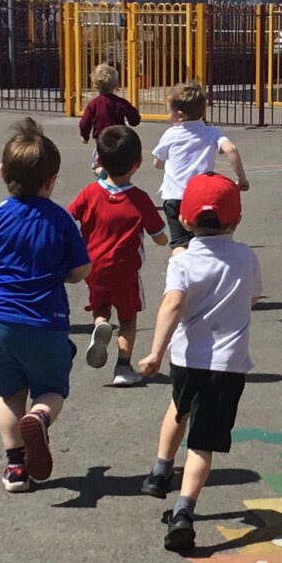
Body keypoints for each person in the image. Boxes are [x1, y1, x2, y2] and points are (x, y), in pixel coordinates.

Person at [0, 120, 91, 494]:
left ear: (2, 173)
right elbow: (80, 271)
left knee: (9, 393)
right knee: (51, 390)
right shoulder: (61, 220)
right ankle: (41, 418)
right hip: (47, 321)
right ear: (52, 179)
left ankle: (15, 468)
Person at [136, 174, 261, 555]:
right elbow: (253, 298)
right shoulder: (246, 257)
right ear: (236, 220)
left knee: (179, 405)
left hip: (187, 358)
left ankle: (160, 469)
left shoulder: (184, 262)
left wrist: (156, 351)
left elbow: (172, 304)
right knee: (203, 442)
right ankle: (184, 511)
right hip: (228, 364)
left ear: (186, 221)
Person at [68, 123, 168, 388]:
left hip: (92, 267)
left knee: (100, 305)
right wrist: (166, 239)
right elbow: (159, 235)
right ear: (138, 162)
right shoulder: (139, 199)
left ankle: (100, 323)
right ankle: (123, 366)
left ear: (99, 160)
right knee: (127, 318)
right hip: (124, 271)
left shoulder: (90, 193)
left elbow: (67, 217)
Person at [152, 82, 249, 252]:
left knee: (179, 242)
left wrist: (164, 163)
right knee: (204, 241)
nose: (168, 115)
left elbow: (157, 163)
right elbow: (230, 149)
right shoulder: (212, 132)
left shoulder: (171, 134)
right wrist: (241, 178)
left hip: (175, 195)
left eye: (169, 112)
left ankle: (180, 271)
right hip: (202, 196)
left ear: (179, 115)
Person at [78, 62, 140, 151]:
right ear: (115, 85)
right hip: (119, 139)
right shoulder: (120, 103)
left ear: (95, 85)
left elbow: (84, 122)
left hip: (101, 140)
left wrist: (85, 136)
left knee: (100, 161)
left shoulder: (93, 104)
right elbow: (134, 119)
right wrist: (133, 121)